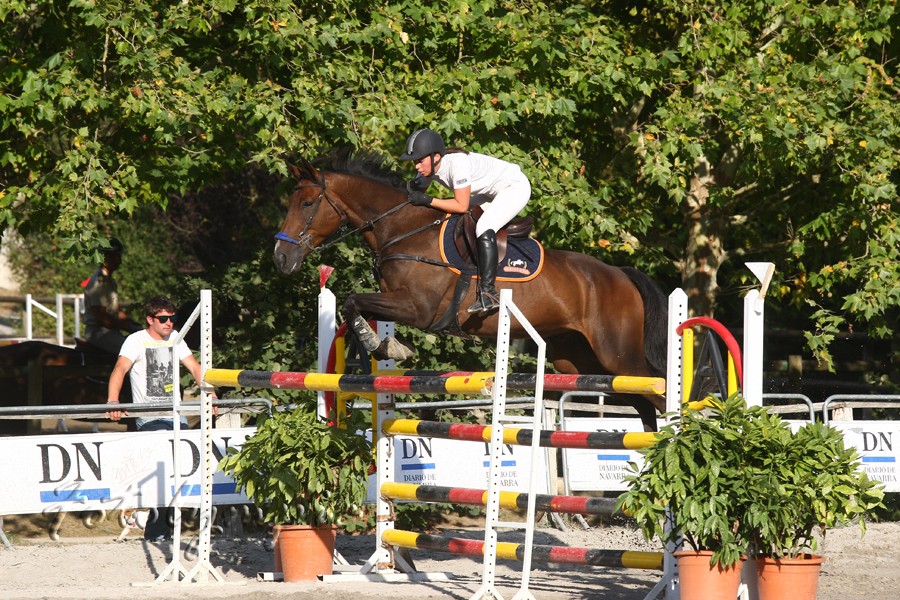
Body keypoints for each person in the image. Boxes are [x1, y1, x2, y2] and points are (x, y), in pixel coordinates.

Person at [399, 128, 531, 314]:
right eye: (415, 162)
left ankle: (488, 293)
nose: (416, 167)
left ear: (436, 156)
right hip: (488, 193)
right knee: (455, 219)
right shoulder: (430, 167)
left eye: (420, 161)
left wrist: (428, 200)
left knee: (484, 226)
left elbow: (461, 205)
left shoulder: (457, 165)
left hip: (514, 187)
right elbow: (416, 191)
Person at [105, 295, 204, 541]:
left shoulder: (176, 339)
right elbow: (120, 369)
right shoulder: (135, 341)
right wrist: (113, 401)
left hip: (176, 416)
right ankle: (155, 527)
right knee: (164, 469)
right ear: (150, 320)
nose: (169, 323)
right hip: (150, 418)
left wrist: (210, 395)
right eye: (163, 319)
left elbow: (194, 367)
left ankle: (160, 527)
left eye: (172, 318)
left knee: (179, 472)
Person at [82, 237, 142, 354]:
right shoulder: (98, 283)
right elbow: (102, 317)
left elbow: (116, 311)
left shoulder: (109, 281)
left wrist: (135, 325)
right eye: (116, 256)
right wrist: (129, 327)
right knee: (133, 351)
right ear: (105, 258)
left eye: (119, 256)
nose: (119, 259)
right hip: (99, 333)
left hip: (109, 331)